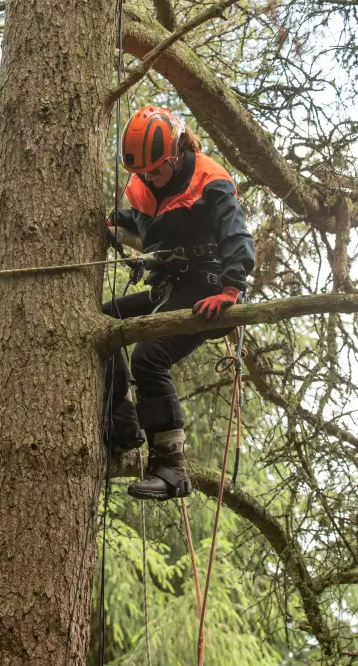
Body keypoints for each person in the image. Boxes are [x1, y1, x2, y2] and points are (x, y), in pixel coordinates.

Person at [104, 104, 255, 501]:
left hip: (207, 290)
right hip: (169, 288)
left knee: (149, 357)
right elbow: (143, 221)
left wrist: (230, 290)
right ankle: (122, 423)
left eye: (156, 171)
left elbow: (237, 237)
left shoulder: (210, 180)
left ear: (174, 154)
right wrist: (117, 220)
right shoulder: (144, 184)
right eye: (142, 173)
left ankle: (172, 469)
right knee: (104, 322)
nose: (149, 179)